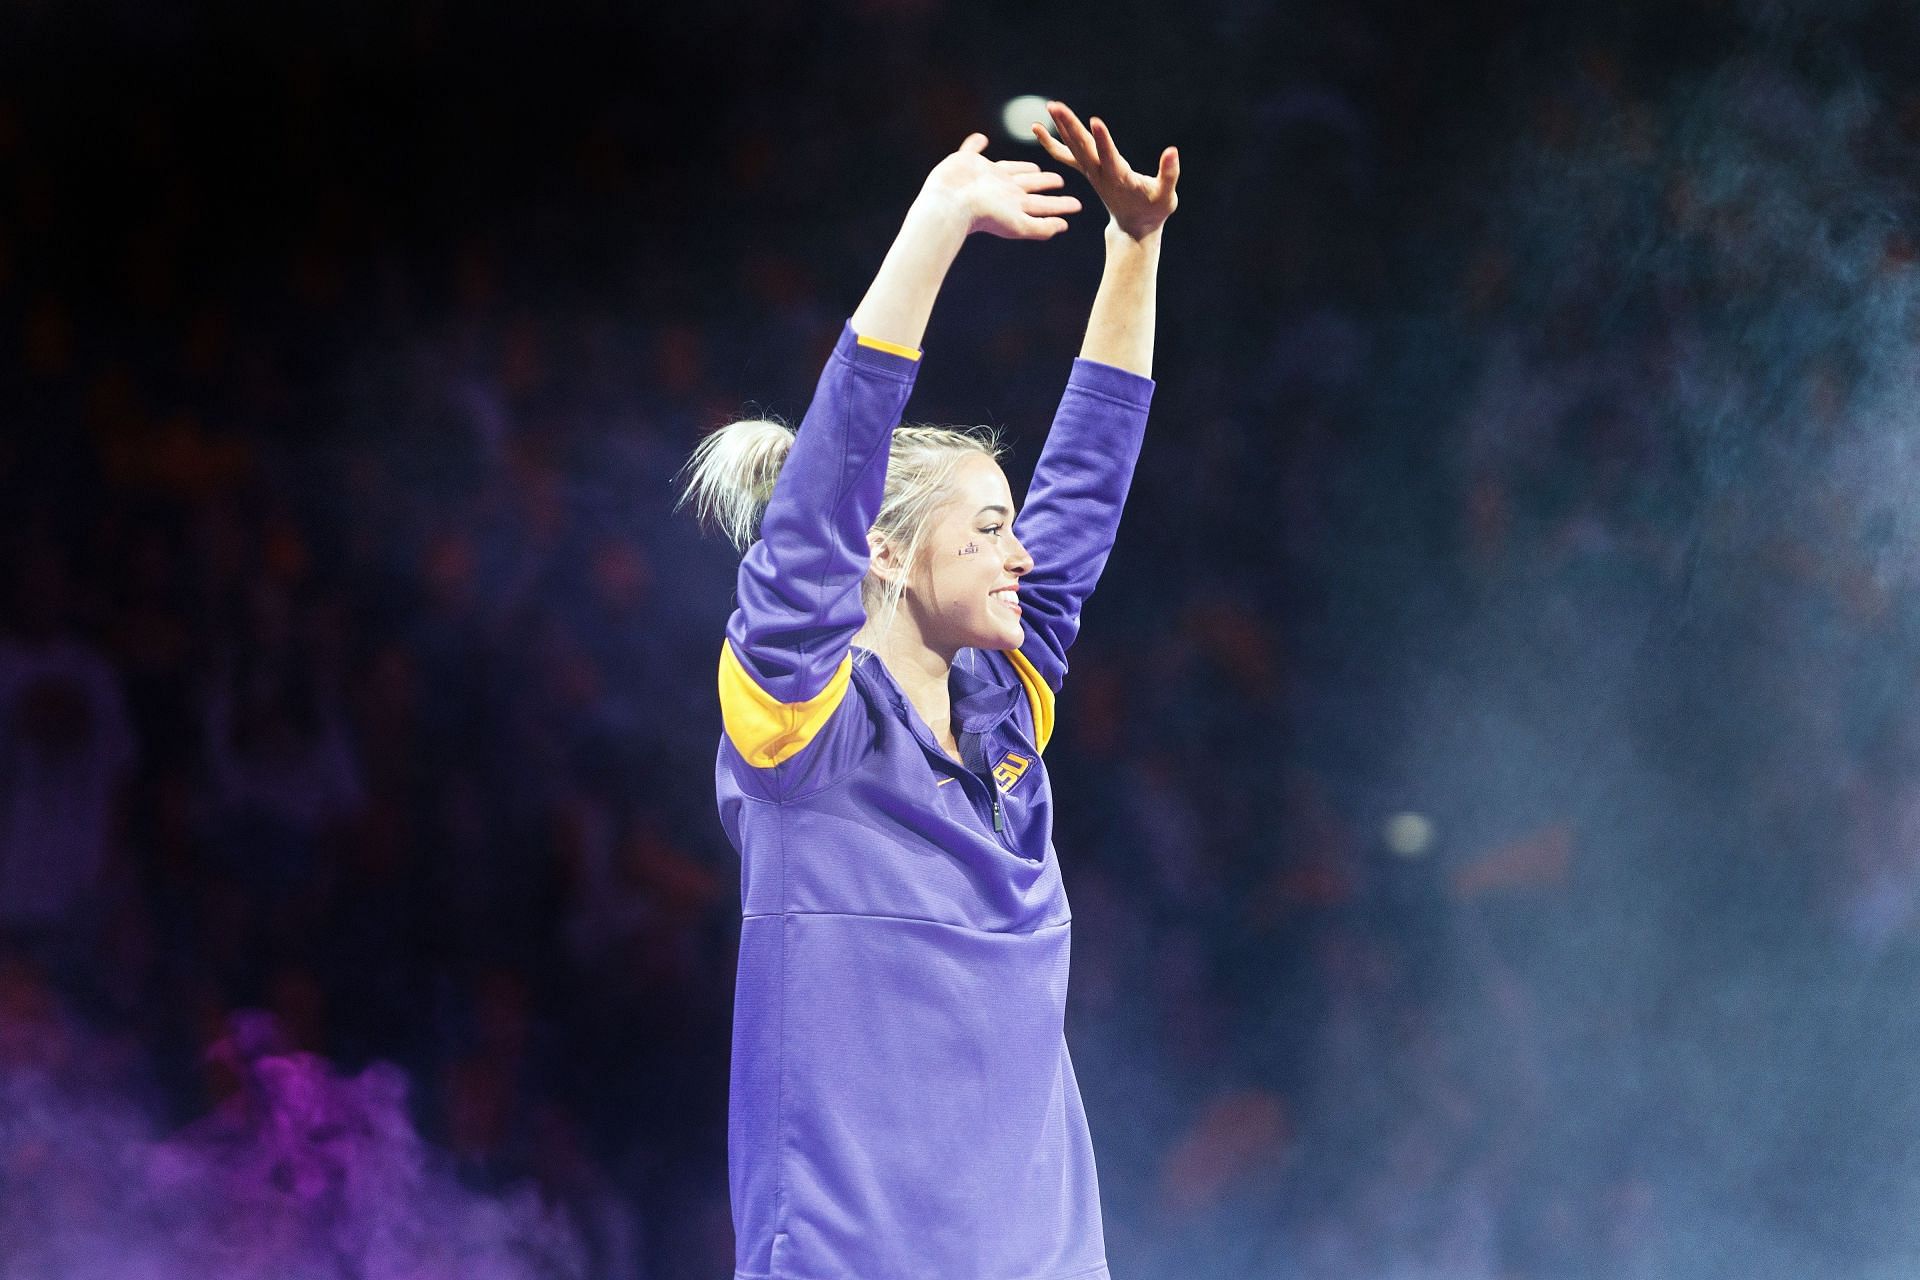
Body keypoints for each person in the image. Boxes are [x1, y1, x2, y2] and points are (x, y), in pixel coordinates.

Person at [679, 101, 1178, 1280]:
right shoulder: (802, 732)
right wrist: (938, 223)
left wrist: (1134, 252)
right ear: (890, 553)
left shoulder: (1008, 713)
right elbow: (820, 507)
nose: (1022, 555)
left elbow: (1088, 486)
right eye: (989, 529)